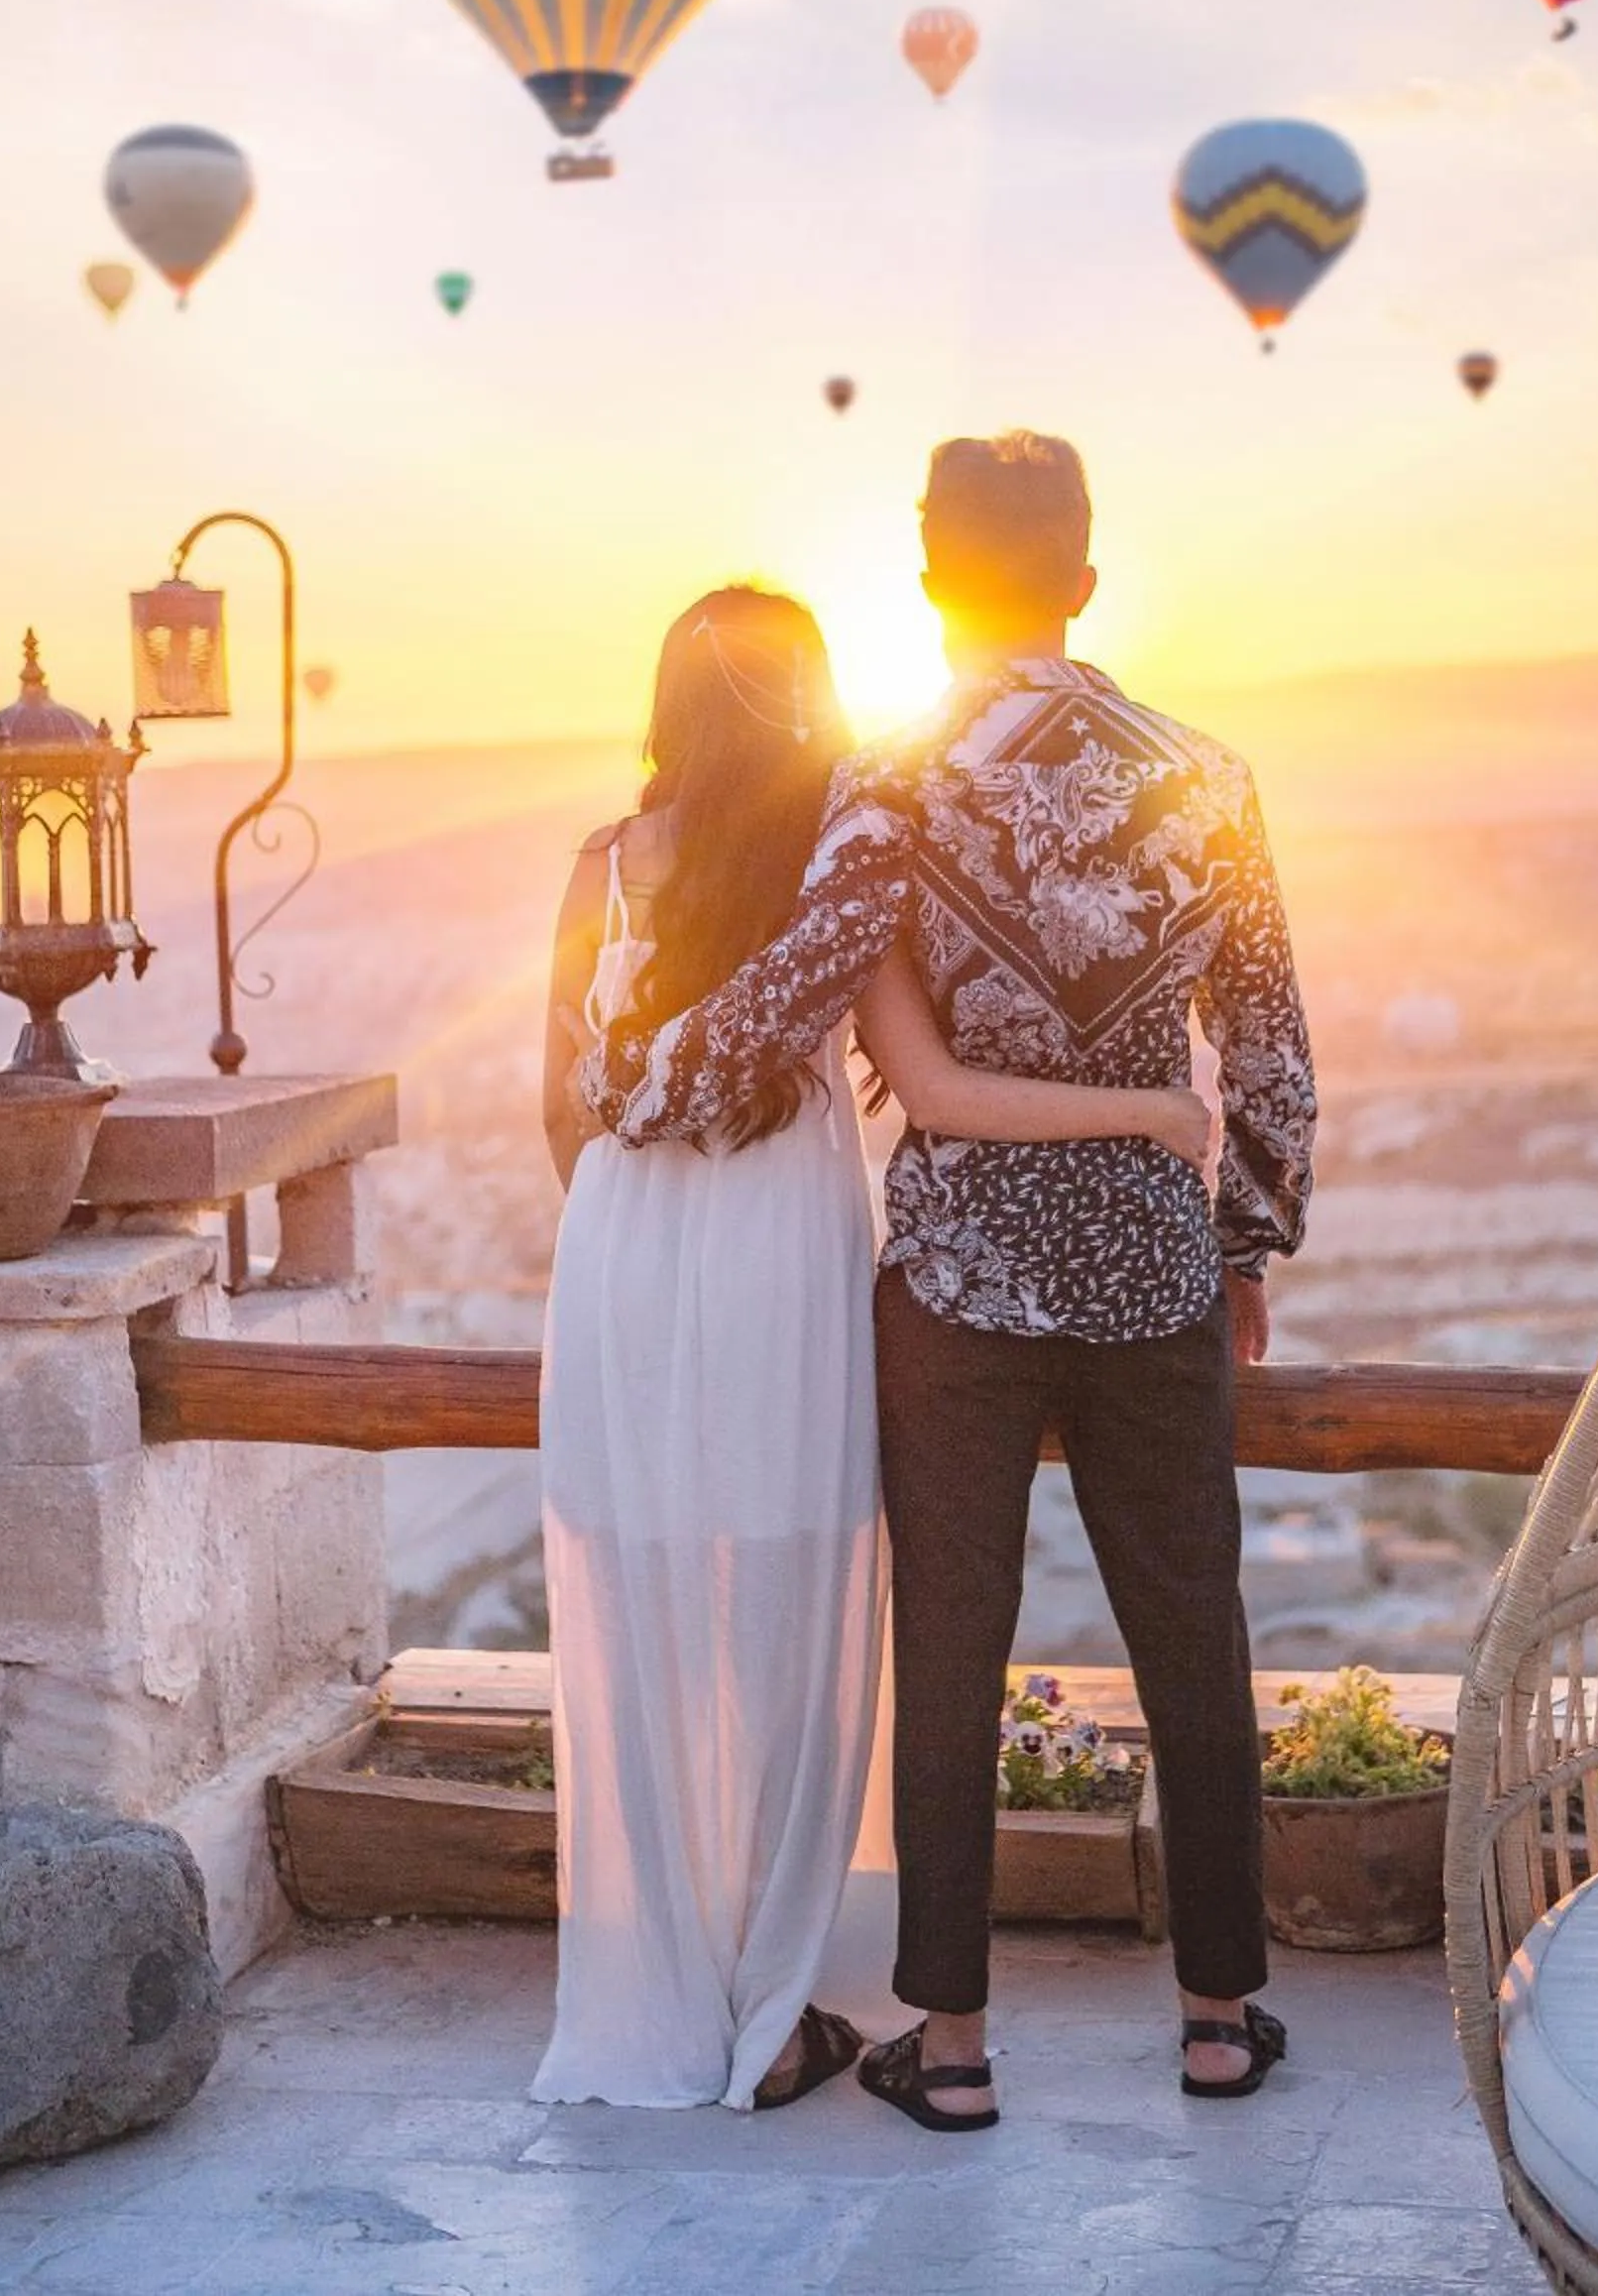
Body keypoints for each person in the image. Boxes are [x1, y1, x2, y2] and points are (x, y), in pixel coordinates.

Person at [584, 438, 1317, 2126]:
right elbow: (1267, 1046)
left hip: (959, 1280)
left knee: (955, 1651)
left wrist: (644, 1096)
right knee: (1193, 1639)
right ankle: (1218, 2018)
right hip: (1150, 1268)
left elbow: (806, 989)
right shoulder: (1206, 772)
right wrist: (1247, 1243)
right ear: (1084, 573)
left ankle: (960, 2048)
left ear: (929, 584)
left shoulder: (893, 779)